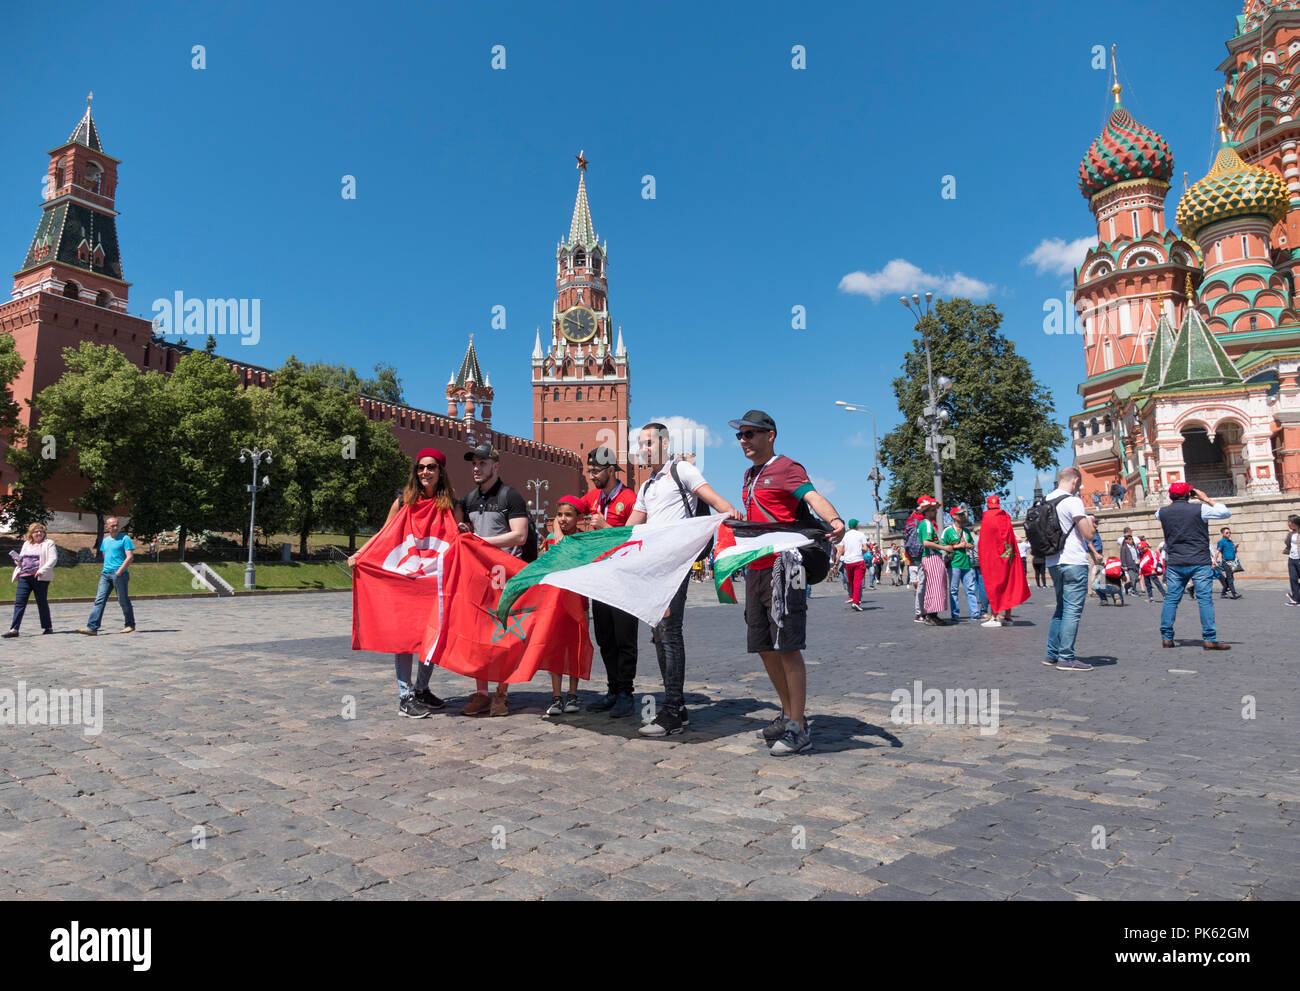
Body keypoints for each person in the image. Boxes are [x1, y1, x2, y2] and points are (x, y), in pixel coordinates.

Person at [729, 410, 844, 756]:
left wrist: (834, 518)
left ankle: (798, 725)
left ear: (770, 435)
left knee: (787, 644)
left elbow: (812, 496)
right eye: (740, 435)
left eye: (750, 433)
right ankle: (788, 712)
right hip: (757, 567)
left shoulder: (787, 467)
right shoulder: (749, 475)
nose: (743, 440)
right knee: (764, 645)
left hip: (787, 565)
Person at [627, 421, 738, 738]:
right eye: (640, 444)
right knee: (659, 634)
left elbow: (717, 502)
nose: (643, 450)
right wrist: (598, 534)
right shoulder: (647, 486)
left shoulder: (682, 471)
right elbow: (629, 529)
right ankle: (677, 707)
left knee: (670, 630)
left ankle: (673, 709)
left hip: (677, 565)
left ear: (664, 444)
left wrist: (731, 515)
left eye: (648, 443)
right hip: (654, 568)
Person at [348, 448, 457, 718]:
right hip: (404, 580)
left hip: (434, 581)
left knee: (432, 637)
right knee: (404, 638)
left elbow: (458, 539)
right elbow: (385, 534)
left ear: (441, 471)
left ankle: (422, 689)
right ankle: (404, 696)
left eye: (431, 467)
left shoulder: (452, 505)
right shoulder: (402, 503)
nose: (425, 472)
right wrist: (361, 554)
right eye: (420, 468)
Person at [457, 442, 530, 715]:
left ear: (496, 466)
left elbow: (519, 535)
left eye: (483, 463)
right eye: (474, 463)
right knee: (479, 637)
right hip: (480, 578)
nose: (477, 468)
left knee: (503, 637)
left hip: (507, 579)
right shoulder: (470, 499)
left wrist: (482, 542)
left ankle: (502, 692)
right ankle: (481, 692)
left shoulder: (511, 497)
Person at [576, 447, 641, 718]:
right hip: (600, 578)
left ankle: (626, 692)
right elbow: (567, 507)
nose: (591, 476)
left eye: (596, 471)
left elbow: (636, 538)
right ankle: (613, 689)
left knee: (625, 637)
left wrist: (606, 528)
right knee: (605, 637)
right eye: (589, 471)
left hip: (625, 579)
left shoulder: (630, 498)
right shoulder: (593, 497)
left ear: (612, 470)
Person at [1156, 482, 1231, 650]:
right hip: (1199, 562)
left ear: (1171, 496)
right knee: (1205, 600)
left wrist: (1173, 501)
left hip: (1175, 562)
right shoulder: (1200, 509)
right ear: (1188, 495)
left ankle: (1167, 637)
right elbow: (1225, 512)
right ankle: (1210, 639)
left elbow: (1160, 512)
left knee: (1171, 599)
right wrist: (1205, 498)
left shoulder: (1163, 512)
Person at [1041, 466, 1099, 672]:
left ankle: (1052, 654)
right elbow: (1088, 535)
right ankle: (1066, 657)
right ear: (1075, 481)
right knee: (1072, 611)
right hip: (1073, 560)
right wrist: (1091, 523)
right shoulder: (1072, 501)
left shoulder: (1045, 500)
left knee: (1061, 608)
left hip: (1053, 562)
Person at [542, 496, 586, 716]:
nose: (563, 519)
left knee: (575, 648)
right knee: (555, 649)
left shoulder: (583, 539)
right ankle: (556, 696)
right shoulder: (550, 539)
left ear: (578, 518)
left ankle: (573, 694)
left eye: (568, 514)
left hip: (577, 603)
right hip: (554, 603)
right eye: (559, 514)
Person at [976, 495, 1030, 628]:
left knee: (993, 585)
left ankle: (995, 617)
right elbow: (1010, 537)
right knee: (1008, 585)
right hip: (1007, 557)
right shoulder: (1005, 516)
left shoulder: (987, 517)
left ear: (988, 504)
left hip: (993, 559)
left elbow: (985, 541)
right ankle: (1008, 617)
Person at [76, 517, 136, 636]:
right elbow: (105, 555)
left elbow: (130, 557)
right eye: (112, 525)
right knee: (99, 600)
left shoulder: (125, 538)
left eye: (117, 525)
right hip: (105, 574)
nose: (115, 527)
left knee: (123, 600)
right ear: (106, 527)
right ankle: (92, 628)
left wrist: (119, 572)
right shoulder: (105, 540)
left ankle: (130, 625)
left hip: (120, 574)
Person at [5, 522, 57, 637]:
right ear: (31, 534)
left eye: (41, 531)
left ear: (44, 533)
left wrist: (42, 570)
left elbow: (53, 559)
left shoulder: (49, 543)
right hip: (24, 576)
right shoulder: (27, 544)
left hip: (39, 577)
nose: (38, 533)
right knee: (19, 602)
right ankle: (14, 629)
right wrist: (17, 560)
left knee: (41, 602)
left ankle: (48, 627)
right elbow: (21, 559)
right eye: (35, 531)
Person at [942, 506, 980, 621]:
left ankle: (975, 613)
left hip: (967, 563)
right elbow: (943, 546)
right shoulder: (948, 531)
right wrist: (957, 546)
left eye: (963, 514)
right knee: (954, 590)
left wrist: (970, 545)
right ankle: (955, 613)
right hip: (954, 564)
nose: (962, 516)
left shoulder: (966, 531)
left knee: (970, 589)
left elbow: (972, 544)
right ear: (953, 516)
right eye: (959, 514)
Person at [917, 500, 948, 626]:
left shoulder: (925, 524)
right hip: (932, 557)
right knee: (935, 586)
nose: (935, 512)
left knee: (935, 586)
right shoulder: (927, 524)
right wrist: (943, 548)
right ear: (926, 512)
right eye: (933, 510)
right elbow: (926, 542)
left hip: (932, 557)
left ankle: (933, 614)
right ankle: (931, 615)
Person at [837, 519, 869, 611]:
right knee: (857, 582)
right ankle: (856, 602)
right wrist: (859, 551)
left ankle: (853, 598)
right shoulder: (861, 535)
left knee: (851, 582)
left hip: (848, 562)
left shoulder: (845, 536)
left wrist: (837, 562)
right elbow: (865, 549)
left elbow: (841, 550)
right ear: (856, 526)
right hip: (858, 560)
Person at [1214, 526, 1242, 600]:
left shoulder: (1231, 541)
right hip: (1226, 562)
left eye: (1230, 532)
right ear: (1222, 534)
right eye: (1227, 533)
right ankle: (1234, 593)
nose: (1229, 534)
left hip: (1232, 562)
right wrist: (1215, 561)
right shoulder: (1221, 542)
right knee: (1230, 578)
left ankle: (1223, 593)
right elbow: (1217, 552)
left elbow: (1234, 552)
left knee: (1230, 578)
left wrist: (1235, 548)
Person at [1285, 515, 1300, 606]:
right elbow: (1287, 543)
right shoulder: (1292, 533)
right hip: (1292, 559)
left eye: (1289, 522)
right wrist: (1289, 533)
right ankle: (1295, 599)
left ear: (1294, 523)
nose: (1288, 523)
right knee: (1293, 579)